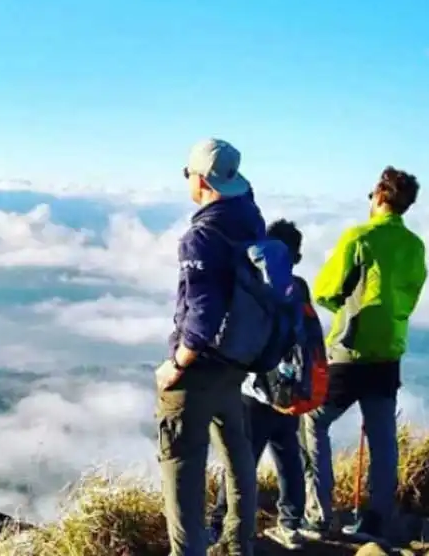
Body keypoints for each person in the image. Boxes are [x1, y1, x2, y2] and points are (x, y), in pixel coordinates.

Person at [300, 166, 428, 543]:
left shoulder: (359, 237)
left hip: (350, 351)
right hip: (389, 352)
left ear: (378, 196)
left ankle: (318, 516)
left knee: (313, 421)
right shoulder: (415, 246)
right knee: (383, 438)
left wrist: (343, 303)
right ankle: (375, 521)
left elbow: (324, 290)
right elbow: (411, 295)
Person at [155, 138, 265, 556]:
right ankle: (240, 544)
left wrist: (177, 365)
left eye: (188, 174)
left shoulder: (200, 236)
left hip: (198, 369)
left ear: (200, 179)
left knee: (181, 470)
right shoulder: (251, 220)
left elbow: (202, 312)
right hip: (237, 361)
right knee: (237, 454)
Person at [208, 219, 311, 551]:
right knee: (289, 456)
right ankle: (292, 522)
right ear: (295, 256)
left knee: (240, 461)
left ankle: (222, 523)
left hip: (255, 390)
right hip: (289, 389)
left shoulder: (258, 287)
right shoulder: (300, 288)